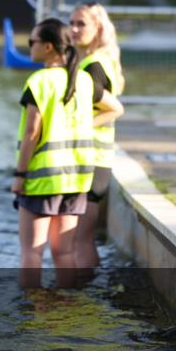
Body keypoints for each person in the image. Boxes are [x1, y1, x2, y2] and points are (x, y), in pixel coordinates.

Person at [13, 18, 122, 288]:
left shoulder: (39, 81)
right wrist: (85, 125)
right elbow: (114, 107)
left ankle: (29, 313)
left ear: (48, 47)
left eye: (32, 42)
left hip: (41, 178)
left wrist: (19, 175)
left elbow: (31, 134)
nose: (30, 47)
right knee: (65, 252)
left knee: (32, 252)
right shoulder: (83, 80)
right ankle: (68, 308)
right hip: (76, 178)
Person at [70, 2, 126, 269]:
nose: (73, 29)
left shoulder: (93, 66)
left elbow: (114, 109)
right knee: (84, 239)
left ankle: (81, 297)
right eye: (71, 23)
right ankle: (86, 296)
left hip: (91, 160)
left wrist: (79, 129)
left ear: (98, 27)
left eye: (81, 24)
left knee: (79, 240)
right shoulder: (104, 60)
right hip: (98, 160)